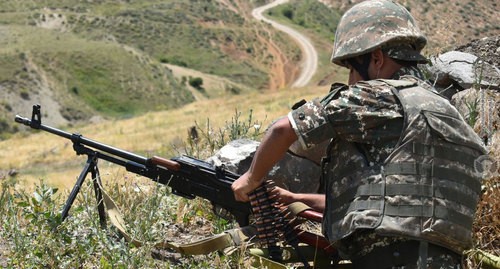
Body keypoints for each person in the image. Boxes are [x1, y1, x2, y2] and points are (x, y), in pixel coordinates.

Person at [232, 0, 487, 268]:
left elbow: (284, 129)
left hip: (386, 257)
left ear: (376, 59)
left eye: (352, 69)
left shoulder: (379, 95)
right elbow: (390, 201)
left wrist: (251, 178)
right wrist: (297, 200)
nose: (352, 79)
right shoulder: (448, 114)